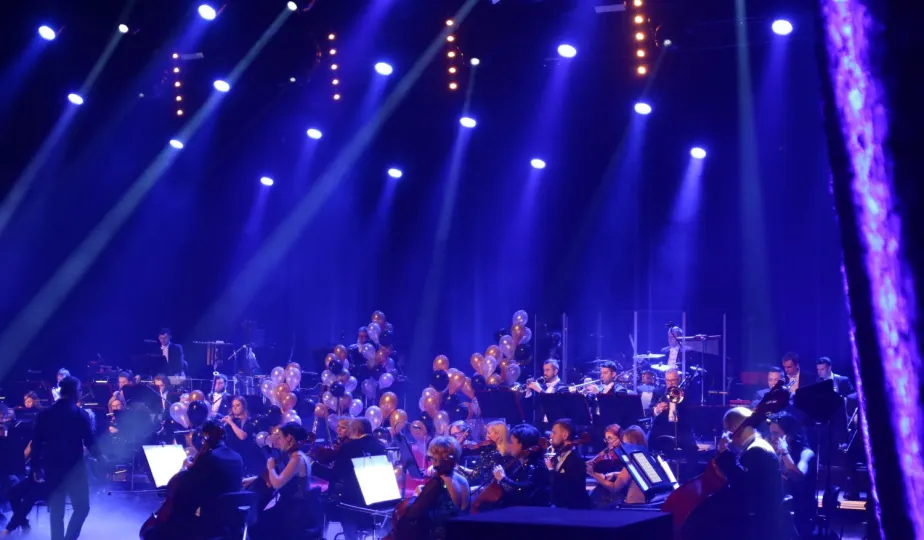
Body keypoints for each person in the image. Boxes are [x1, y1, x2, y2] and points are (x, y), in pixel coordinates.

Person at [686, 407, 783, 540]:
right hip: (760, 514)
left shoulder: (756, 450)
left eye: (727, 430)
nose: (728, 434)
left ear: (734, 428)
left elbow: (742, 482)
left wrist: (724, 452)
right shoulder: (757, 445)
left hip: (756, 520)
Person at [142, 420, 243, 540]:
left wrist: (185, 468)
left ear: (206, 436)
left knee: (154, 531)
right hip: (230, 518)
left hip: (209, 519)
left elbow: (189, 486)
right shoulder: (237, 457)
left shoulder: (209, 458)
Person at [30, 376, 97, 540]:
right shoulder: (80, 414)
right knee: (82, 508)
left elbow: (36, 444)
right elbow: (90, 442)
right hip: (75, 469)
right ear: (75, 392)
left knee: (56, 510)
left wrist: (36, 467)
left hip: (51, 467)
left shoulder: (45, 414)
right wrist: (102, 459)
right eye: (80, 390)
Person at [312, 418, 387, 540]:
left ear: (356, 431)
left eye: (350, 431)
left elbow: (334, 475)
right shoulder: (381, 446)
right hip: (376, 505)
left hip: (352, 505)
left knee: (318, 503)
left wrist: (313, 466)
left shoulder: (349, 447)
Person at [390, 437, 469, 540]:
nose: (431, 461)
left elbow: (410, 516)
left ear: (436, 459)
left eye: (431, 458)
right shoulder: (463, 480)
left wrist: (416, 496)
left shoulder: (437, 483)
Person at [251, 422, 314, 538]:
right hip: (290, 506)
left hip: (293, 510)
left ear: (289, 438)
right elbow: (283, 475)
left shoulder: (297, 459)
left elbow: (277, 483)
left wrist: (270, 467)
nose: (278, 441)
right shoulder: (296, 456)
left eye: (280, 437)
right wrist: (253, 479)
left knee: (258, 525)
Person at [769, 414, 816, 539]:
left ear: (789, 434)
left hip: (799, 510)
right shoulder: (776, 452)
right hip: (781, 506)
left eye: (776, 433)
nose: (772, 438)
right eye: (771, 433)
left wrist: (784, 452)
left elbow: (798, 476)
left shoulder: (806, 453)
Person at [588, 425, 648, 506]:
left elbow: (614, 488)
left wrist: (593, 474)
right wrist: (615, 474)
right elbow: (634, 475)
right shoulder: (645, 458)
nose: (623, 446)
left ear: (632, 444)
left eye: (625, 443)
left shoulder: (632, 462)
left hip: (632, 507)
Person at [648, 369, 697, 454]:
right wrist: (657, 409)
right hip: (662, 428)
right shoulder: (658, 392)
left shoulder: (686, 393)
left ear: (679, 380)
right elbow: (649, 411)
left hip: (681, 429)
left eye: (673, 380)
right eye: (668, 380)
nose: (670, 383)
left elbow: (690, 413)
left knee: (692, 452)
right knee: (649, 446)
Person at [546, 419, 589, 509]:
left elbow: (568, 489)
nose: (551, 436)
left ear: (565, 435)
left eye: (554, 433)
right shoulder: (561, 455)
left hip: (572, 512)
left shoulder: (575, 460)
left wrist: (550, 470)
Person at [457, 421, 505, 488]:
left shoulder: (496, 455)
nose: (486, 435)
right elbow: (477, 473)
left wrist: (458, 469)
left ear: (497, 435)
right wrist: (459, 468)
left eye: (489, 433)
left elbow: (478, 479)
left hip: (486, 490)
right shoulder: (487, 451)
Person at [222, 396, 262, 474]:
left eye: (237, 405)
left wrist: (231, 423)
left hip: (242, 457)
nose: (234, 408)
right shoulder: (230, 420)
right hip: (229, 455)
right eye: (233, 406)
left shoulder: (248, 421)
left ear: (243, 406)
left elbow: (242, 436)